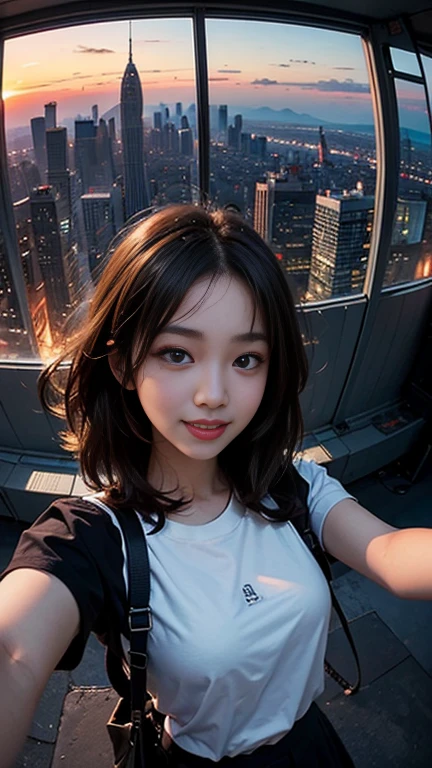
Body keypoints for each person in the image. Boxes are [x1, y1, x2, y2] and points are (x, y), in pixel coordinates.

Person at [1, 204, 432, 768]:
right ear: (125, 363)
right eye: (177, 353)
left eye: (246, 359)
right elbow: (14, 652)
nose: (213, 394)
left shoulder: (287, 484)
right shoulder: (94, 537)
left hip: (311, 747)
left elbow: (394, 556)